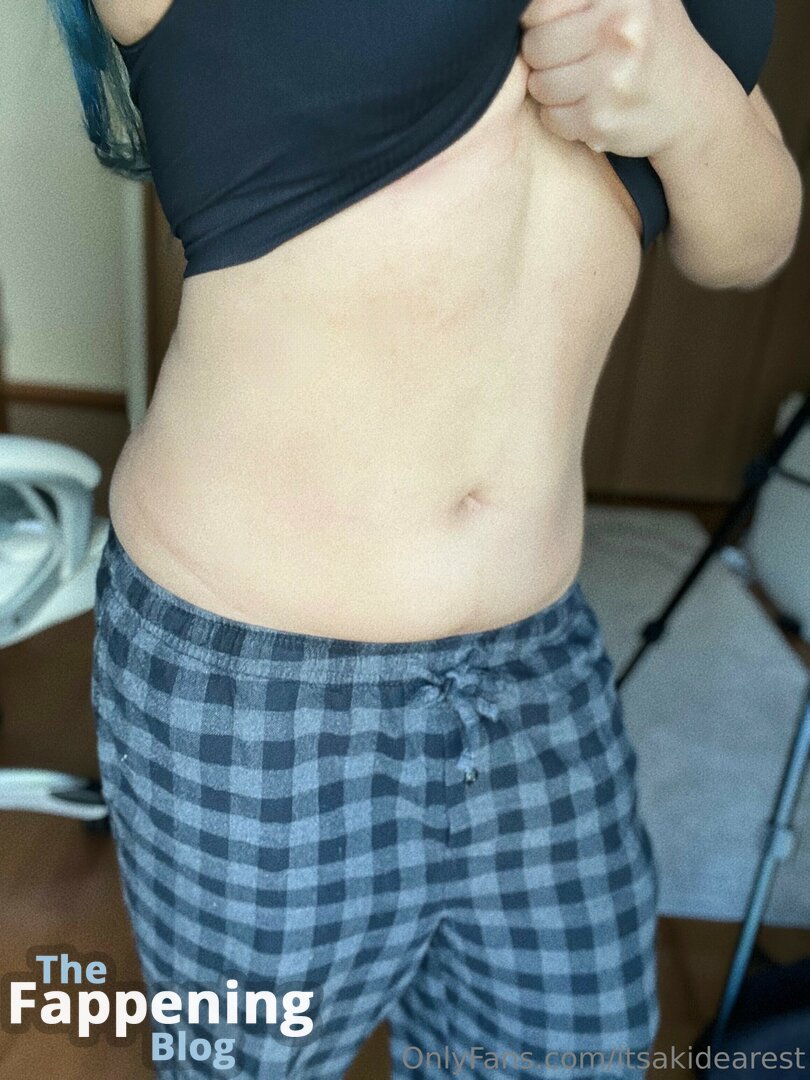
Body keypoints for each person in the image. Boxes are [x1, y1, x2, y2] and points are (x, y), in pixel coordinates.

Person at [51, 0, 801, 1076]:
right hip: (259, 682)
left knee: (574, 1052)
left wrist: (694, 106)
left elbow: (751, 242)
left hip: (539, 656)